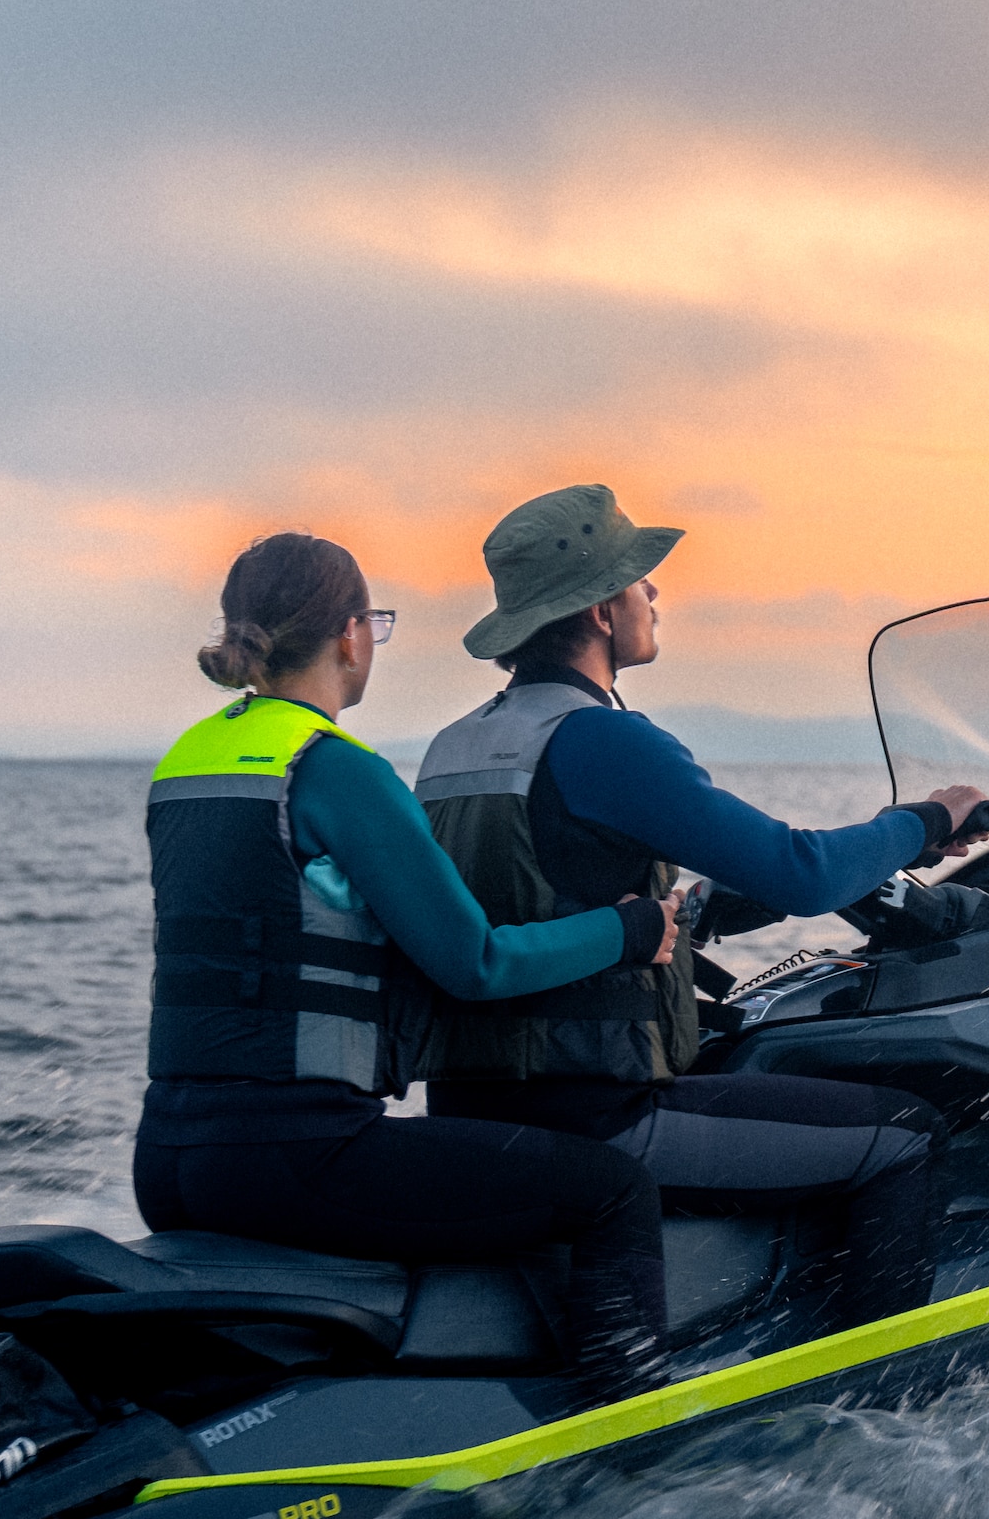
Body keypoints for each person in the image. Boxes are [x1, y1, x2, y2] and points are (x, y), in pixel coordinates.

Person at [414, 482, 989, 1338]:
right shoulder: (606, 741)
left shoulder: (454, 749)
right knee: (905, 1135)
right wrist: (924, 821)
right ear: (604, 611)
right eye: (641, 580)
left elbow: (543, 895)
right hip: (594, 1118)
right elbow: (798, 873)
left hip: (474, 1112)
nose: (655, 594)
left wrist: (700, 914)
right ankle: (886, 1401)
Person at [135, 530, 687, 1409]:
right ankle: (638, 1429)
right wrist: (626, 931)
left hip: (167, 1158)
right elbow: (476, 962)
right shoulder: (338, 773)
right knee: (611, 1191)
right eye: (375, 627)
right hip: (299, 1154)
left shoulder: (186, 763)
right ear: (352, 635)